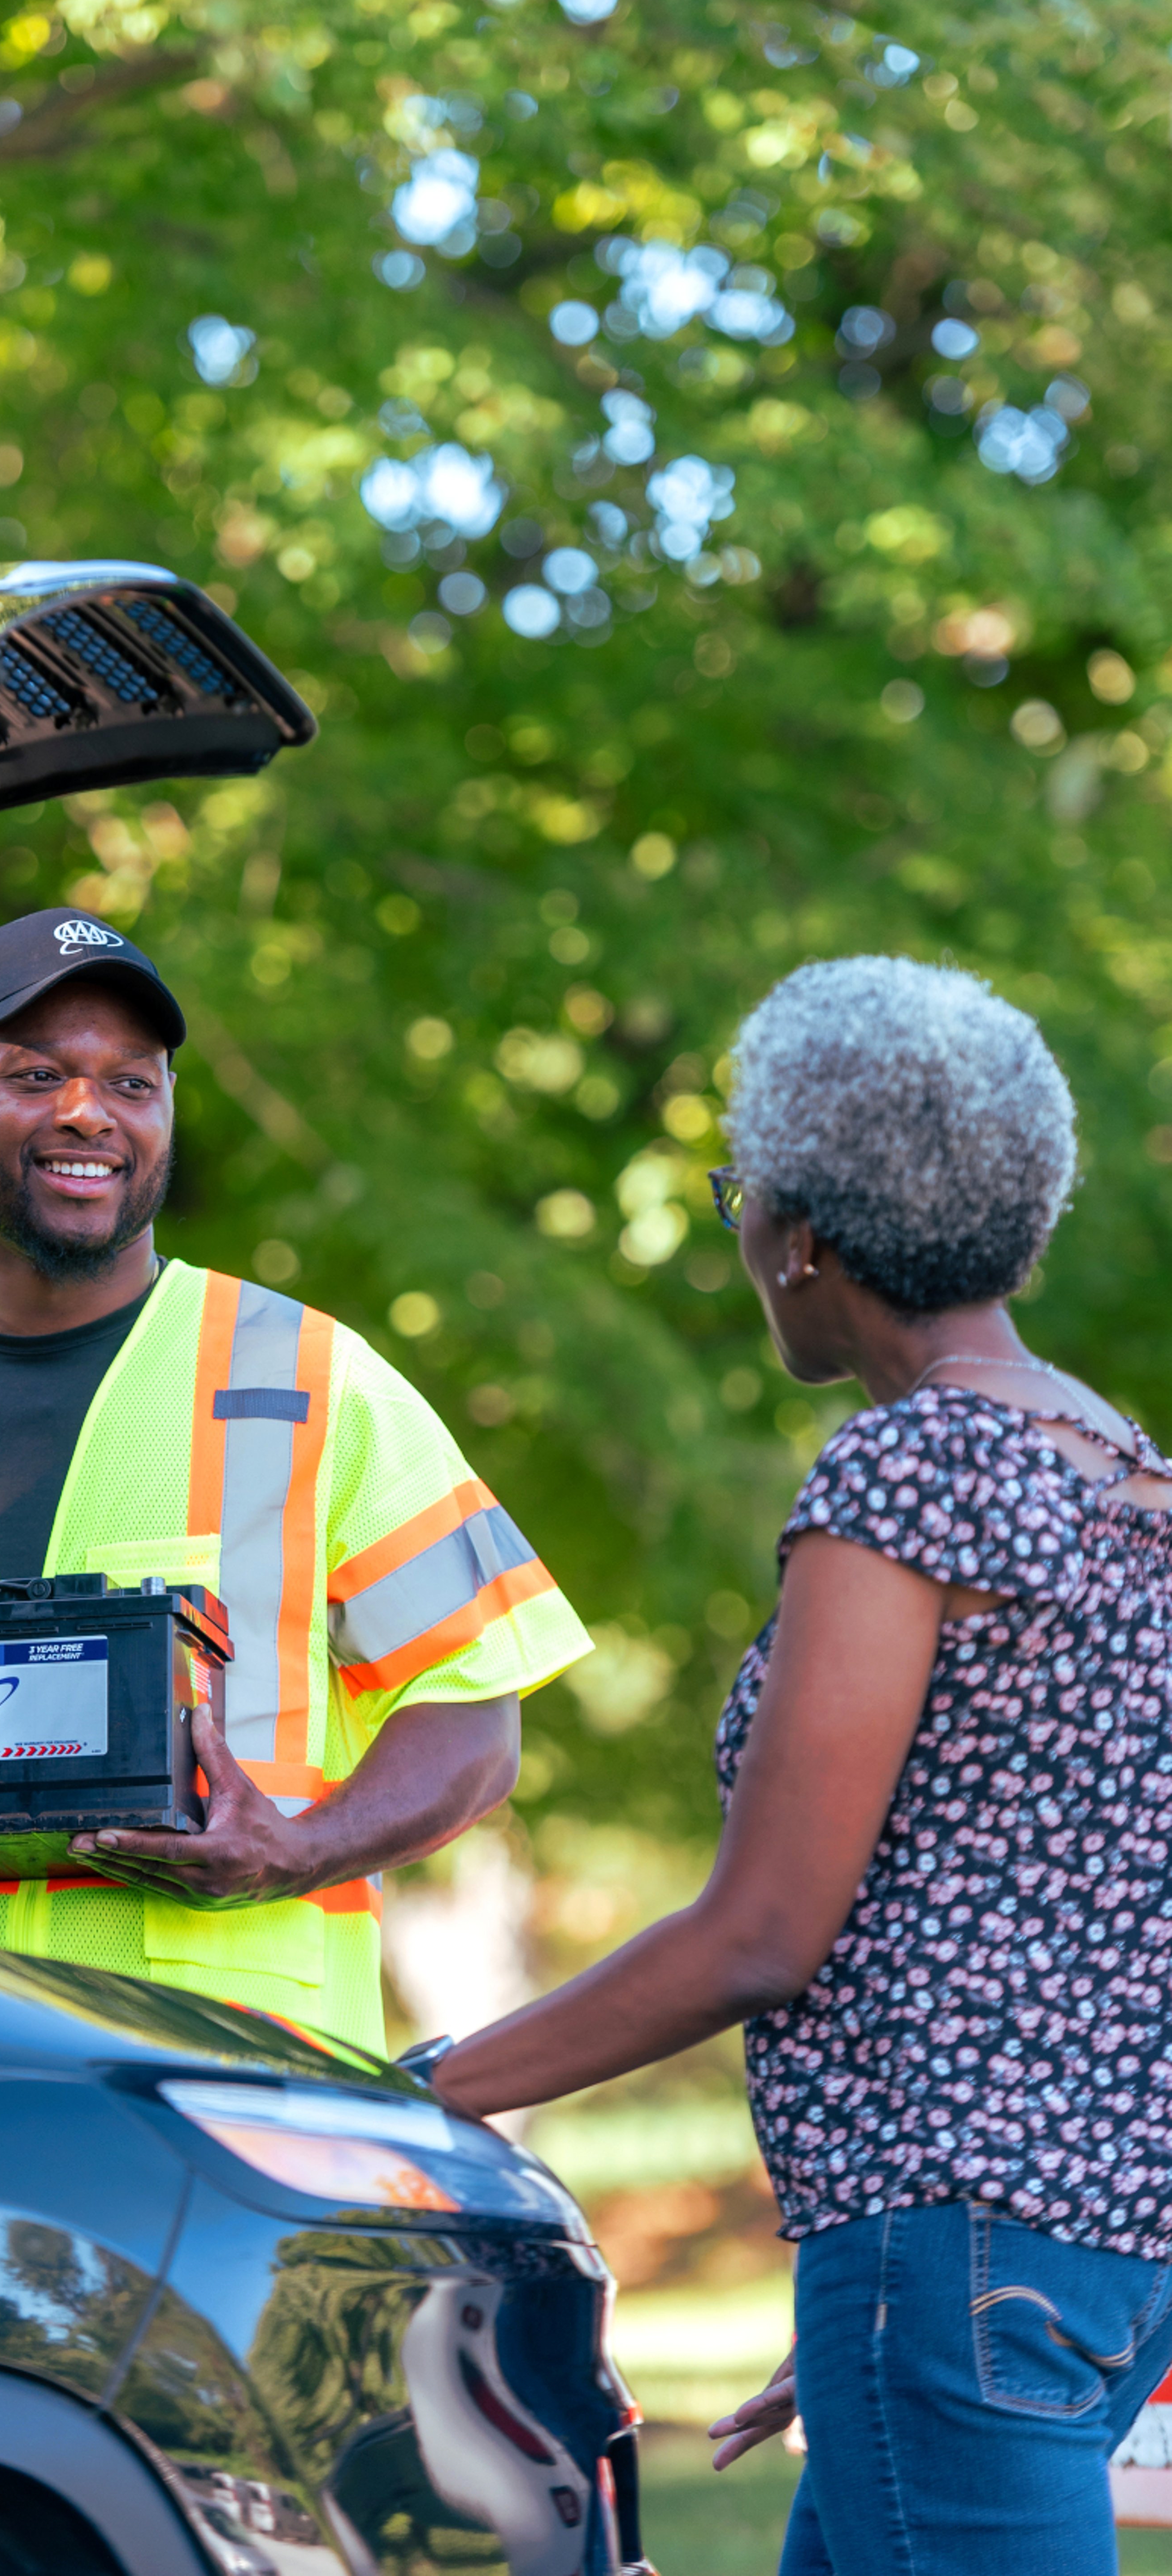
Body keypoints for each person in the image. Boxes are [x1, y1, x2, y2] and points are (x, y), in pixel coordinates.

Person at [432, 955, 1172, 2575]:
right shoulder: (1128, 1474)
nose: (742, 1237)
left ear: (807, 1233)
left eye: (735, 1196)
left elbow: (763, 1931)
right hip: (1085, 2251)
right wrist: (888, 2313)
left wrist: (420, 2093)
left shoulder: (909, 1471)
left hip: (956, 2251)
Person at [0, 906, 591, 2054]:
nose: (89, 1111)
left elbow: (476, 1718)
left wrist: (301, 1846)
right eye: (37, 1074)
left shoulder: (312, 1378)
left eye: (133, 1082)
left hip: (235, 2086)